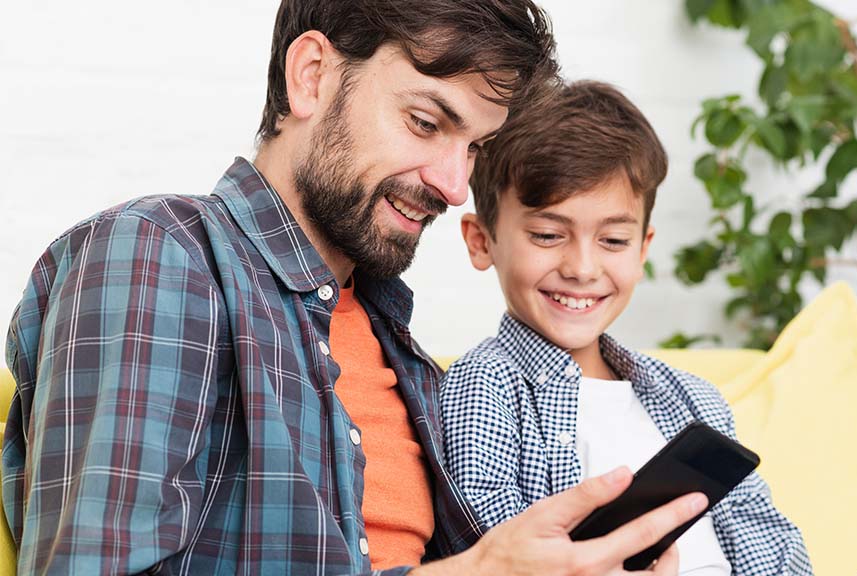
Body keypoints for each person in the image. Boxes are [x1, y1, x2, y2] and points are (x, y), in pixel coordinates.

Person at [2, 2, 708, 574]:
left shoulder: (403, 354)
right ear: (311, 75)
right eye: (425, 123)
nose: (454, 184)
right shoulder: (160, 253)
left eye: (475, 150)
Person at [439, 80, 857, 576]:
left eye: (613, 240)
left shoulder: (693, 402)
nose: (583, 267)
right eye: (548, 235)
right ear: (482, 241)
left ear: (643, 250)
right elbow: (501, 561)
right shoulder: (484, 387)